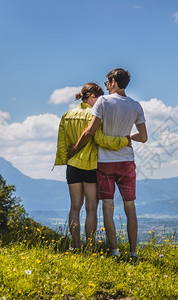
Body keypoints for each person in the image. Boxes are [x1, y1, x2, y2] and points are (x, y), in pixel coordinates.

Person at [68, 68, 147, 258]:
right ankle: (134, 252)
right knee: (130, 206)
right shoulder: (136, 105)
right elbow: (143, 137)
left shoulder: (103, 101)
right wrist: (126, 137)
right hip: (127, 161)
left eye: (106, 82)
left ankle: (114, 251)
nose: (106, 86)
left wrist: (75, 149)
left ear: (112, 82)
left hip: (105, 163)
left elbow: (90, 131)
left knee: (108, 207)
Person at [54, 83, 130, 249]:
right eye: (99, 98)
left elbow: (62, 143)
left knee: (74, 207)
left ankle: (76, 245)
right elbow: (100, 139)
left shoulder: (67, 115)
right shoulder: (95, 115)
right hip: (91, 165)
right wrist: (124, 140)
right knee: (91, 208)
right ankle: (90, 247)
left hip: (72, 166)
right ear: (93, 97)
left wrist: (65, 159)